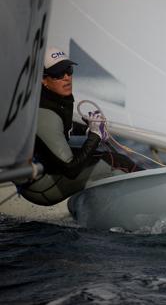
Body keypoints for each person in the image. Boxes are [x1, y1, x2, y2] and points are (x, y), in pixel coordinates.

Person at [15, 47, 141, 206]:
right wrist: (94, 136)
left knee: (101, 156)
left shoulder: (52, 99)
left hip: (49, 171)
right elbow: (71, 169)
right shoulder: (44, 114)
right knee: (115, 161)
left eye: (69, 70)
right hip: (42, 186)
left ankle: (99, 204)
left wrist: (87, 127)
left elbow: (60, 129)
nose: (67, 77)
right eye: (58, 74)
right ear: (43, 80)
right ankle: (153, 196)